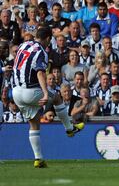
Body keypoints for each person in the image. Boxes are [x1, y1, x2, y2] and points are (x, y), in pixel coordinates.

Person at [12, 26, 84, 168]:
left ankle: (38, 159)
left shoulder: (23, 45)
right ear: (47, 39)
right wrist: (45, 92)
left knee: (34, 122)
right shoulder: (41, 52)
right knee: (56, 97)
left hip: (16, 92)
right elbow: (40, 73)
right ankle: (69, 128)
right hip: (30, 91)